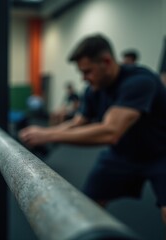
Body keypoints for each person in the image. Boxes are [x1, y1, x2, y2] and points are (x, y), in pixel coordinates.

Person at [19, 34, 166, 225]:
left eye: (88, 71)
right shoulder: (93, 89)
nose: (84, 78)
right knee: (86, 209)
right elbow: (79, 121)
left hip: (161, 155)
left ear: (106, 61)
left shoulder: (140, 81)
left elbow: (110, 131)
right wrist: (43, 132)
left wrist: (47, 135)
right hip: (121, 154)